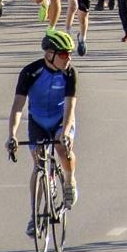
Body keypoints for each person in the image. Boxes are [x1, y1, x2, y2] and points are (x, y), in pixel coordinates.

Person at [6, 30, 79, 239]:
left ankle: (69, 180)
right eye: (64, 54)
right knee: (38, 163)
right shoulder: (30, 72)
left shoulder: (70, 73)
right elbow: (18, 106)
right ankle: (35, 216)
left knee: (60, 147)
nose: (69, 59)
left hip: (61, 119)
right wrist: (11, 135)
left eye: (70, 54)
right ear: (49, 55)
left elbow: (70, 106)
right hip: (38, 121)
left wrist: (65, 132)